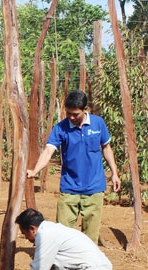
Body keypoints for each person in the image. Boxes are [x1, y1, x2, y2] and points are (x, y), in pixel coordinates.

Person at [27, 90, 120, 244]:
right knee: (62, 234)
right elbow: (49, 151)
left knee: (90, 236)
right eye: (68, 113)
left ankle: (87, 265)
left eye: (75, 114)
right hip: (69, 188)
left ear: (85, 110)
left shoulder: (98, 123)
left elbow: (106, 148)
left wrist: (114, 173)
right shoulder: (60, 128)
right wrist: (35, 170)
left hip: (94, 188)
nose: (71, 117)